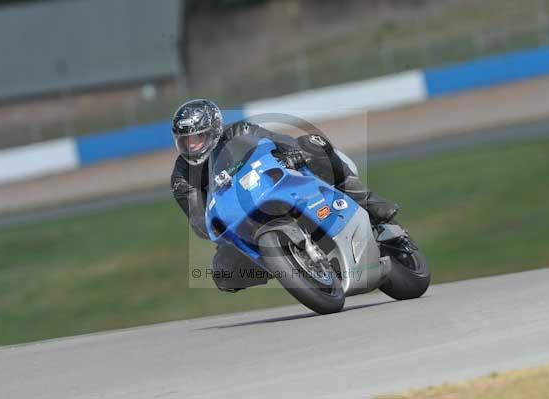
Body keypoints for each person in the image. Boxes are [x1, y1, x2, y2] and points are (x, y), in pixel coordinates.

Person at [170, 99, 398, 291]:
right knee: (223, 272)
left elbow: (279, 141)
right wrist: (212, 227)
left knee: (312, 145)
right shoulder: (181, 177)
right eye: (185, 141)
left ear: (213, 131)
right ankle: (287, 266)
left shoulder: (240, 132)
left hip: (276, 185)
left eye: (197, 138)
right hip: (241, 221)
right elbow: (198, 219)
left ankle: (368, 201)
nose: (192, 146)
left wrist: (292, 153)